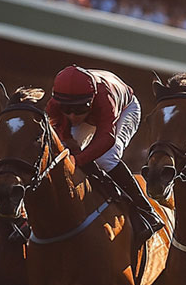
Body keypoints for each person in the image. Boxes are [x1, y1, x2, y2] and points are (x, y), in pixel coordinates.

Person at [47, 64, 165, 247]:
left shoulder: (104, 98)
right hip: (93, 114)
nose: (72, 116)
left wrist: (76, 160)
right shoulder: (54, 105)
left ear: (91, 100)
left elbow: (106, 139)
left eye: (79, 109)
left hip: (126, 108)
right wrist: (68, 140)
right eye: (67, 109)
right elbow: (56, 131)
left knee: (106, 158)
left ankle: (146, 211)